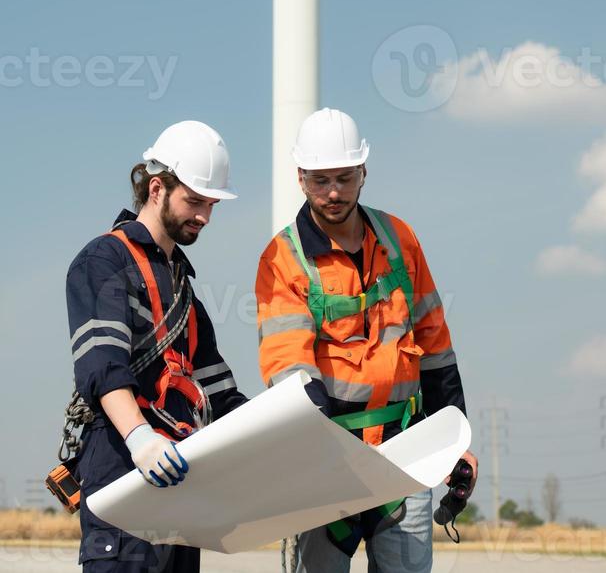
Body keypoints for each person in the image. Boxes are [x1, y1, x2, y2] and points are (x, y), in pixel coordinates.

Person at [255, 108, 477, 573]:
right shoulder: (283, 257)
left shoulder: (400, 239)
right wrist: (325, 455)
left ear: (363, 172)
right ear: (300, 178)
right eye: (320, 180)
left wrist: (453, 440)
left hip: (405, 446)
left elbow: (434, 343)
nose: (333, 192)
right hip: (329, 457)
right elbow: (289, 365)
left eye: (344, 177)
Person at [66, 120, 248, 573]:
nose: (204, 215)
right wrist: (140, 438)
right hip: (123, 480)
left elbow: (221, 395)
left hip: (180, 488)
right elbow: (102, 367)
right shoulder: (104, 261)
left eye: (211, 203)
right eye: (195, 200)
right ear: (156, 188)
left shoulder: (185, 292)